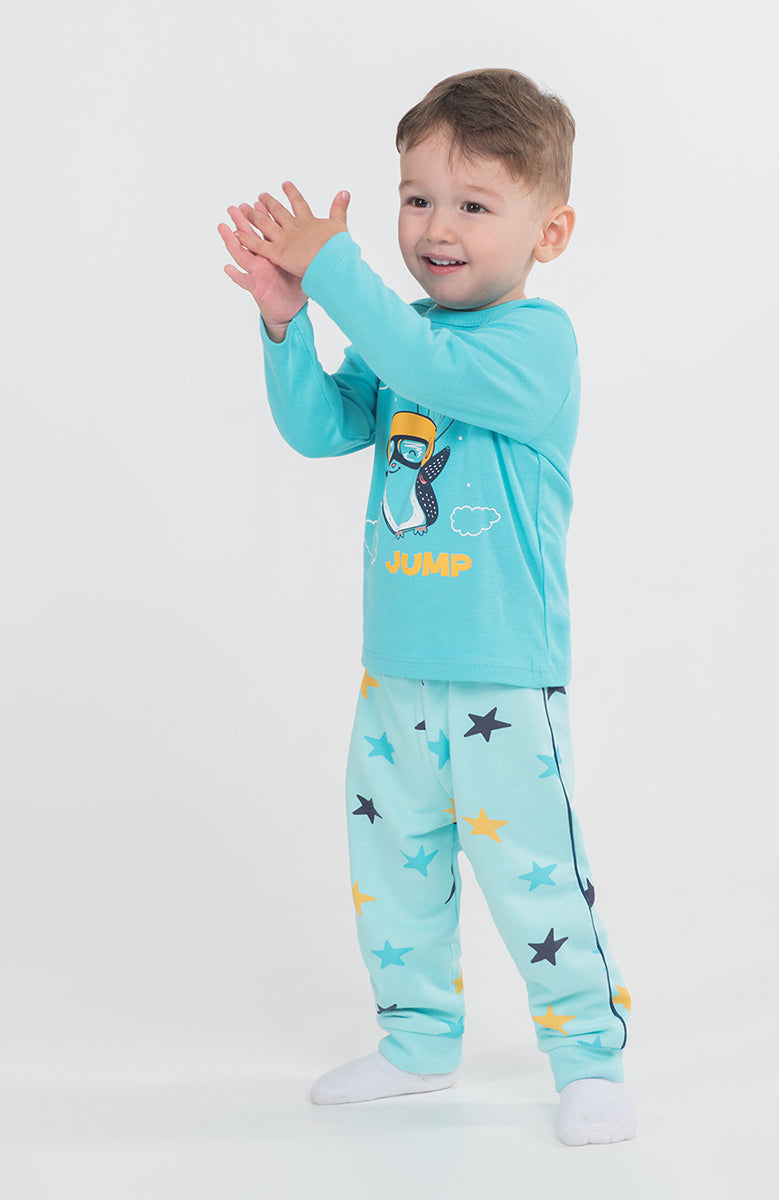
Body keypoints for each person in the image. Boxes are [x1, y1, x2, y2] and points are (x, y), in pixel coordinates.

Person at [218, 67, 636, 1146]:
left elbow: (425, 363)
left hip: (505, 679)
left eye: (474, 204)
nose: (437, 228)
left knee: (536, 877)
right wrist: (286, 326)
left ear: (550, 233)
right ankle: (416, 1041)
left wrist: (337, 269)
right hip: (396, 675)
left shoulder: (535, 346)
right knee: (394, 869)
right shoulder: (397, 332)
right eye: (416, 199)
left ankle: (588, 1057)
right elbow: (322, 427)